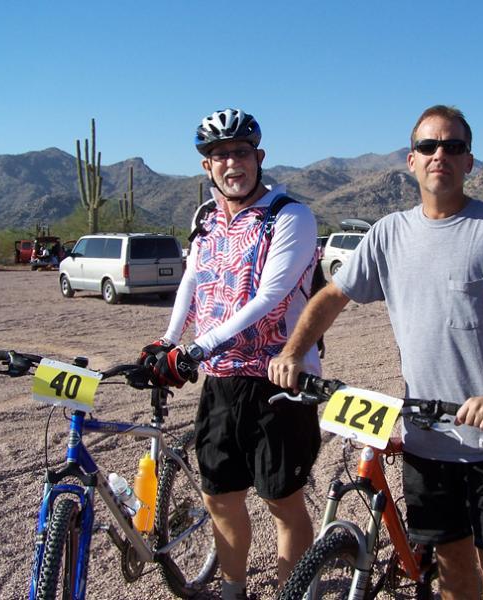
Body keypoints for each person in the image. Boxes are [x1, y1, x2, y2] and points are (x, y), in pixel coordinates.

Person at [269, 105, 483, 600]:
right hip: (426, 439)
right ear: (411, 160)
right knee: (450, 565)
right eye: (428, 146)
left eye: (453, 146)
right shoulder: (388, 234)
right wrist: (293, 351)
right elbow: (332, 295)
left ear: (470, 161)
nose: (439, 155)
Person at [138, 108, 322, 600]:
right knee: (220, 497)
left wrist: (196, 347)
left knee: (283, 502)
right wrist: (168, 338)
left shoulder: (290, 215)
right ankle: (234, 590)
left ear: (259, 158)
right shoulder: (206, 220)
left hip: (279, 379)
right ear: (207, 167)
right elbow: (192, 279)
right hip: (221, 377)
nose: (231, 163)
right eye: (220, 155)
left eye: (241, 152)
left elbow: (272, 296)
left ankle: (291, 593)